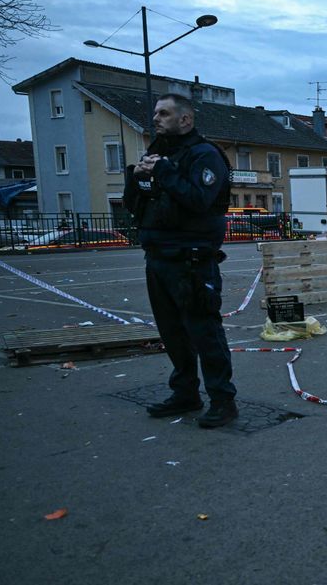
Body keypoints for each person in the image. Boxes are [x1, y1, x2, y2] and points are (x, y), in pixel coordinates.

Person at [123, 93, 239, 429]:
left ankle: (222, 399)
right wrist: (139, 176)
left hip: (191, 259)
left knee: (204, 331)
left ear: (185, 119)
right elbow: (134, 204)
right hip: (157, 256)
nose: (156, 119)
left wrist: (164, 171)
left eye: (164, 113)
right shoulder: (159, 154)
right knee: (172, 332)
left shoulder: (205, 155)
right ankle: (185, 392)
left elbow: (199, 199)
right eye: (155, 113)